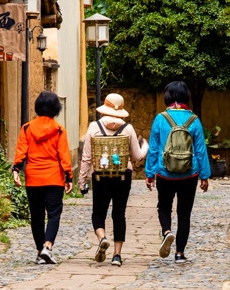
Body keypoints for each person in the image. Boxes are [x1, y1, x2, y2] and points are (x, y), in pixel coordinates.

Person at [78, 93, 148, 267]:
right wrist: (144, 146)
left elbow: (86, 158)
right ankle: (117, 256)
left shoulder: (94, 127)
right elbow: (137, 156)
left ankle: (102, 238)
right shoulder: (128, 128)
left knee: (98, 213)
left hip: (100, 177)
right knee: (119, 214)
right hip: (123, 177)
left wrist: (82, 181)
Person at [145, 81, 210, 264]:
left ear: (168, 97)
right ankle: (180, 253)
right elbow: (200, 150)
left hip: (165, 173)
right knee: (184, 213)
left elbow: (154, 149)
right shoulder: (194, 120)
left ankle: (167, 231)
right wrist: (204, 176)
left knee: (164, 207)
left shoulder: (160, 118)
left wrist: (150, 173)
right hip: (189, 174)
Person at [13, 91, 73, 264]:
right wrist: (68, 177)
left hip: (33, 178)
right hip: (54, 178)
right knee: (54, 214)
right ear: (56, 109)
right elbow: (64, 156)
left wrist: (16, 170)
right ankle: (48, 246)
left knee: (37, 215)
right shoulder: (60, 130)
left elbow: (21, 152)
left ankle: (40, 251)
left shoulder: (27, 128)